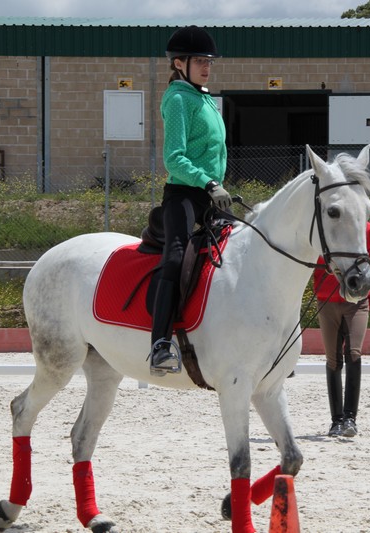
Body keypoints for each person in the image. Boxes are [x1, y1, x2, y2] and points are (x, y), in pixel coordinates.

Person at [149, 25, 231, 376]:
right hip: (184, 193)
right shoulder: (179, 99)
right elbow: (174, 158)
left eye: (209, 62)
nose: (206, 67)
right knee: (176, 255)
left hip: (212, 194)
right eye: (200, 61)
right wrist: (208, 182)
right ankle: (160, 344)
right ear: (179, 63)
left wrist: (216, 186)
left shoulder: (205, 98)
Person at [313, 221, 370, 437]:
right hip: (327, 302)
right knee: (333, 359)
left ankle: (350, 418)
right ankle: (336, 421)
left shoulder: (369, 231)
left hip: (357, 302)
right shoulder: (325, 229)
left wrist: (366, 301)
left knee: (353, 353)